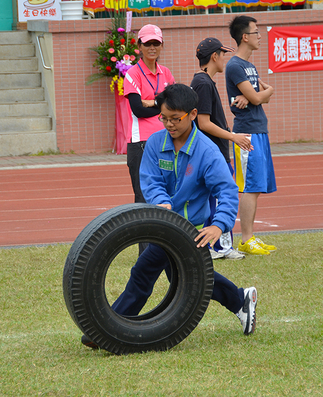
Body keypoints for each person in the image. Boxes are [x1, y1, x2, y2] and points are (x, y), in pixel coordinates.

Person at [81, 84, 258, 349]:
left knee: (145, 272)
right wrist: (160, 202)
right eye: (165, 118)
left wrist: (218, 226)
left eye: (176, 118)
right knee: (182, 277)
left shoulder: (206, 151)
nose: (170, 124)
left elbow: (227, 190)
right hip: (163, 227)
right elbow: (150, 181)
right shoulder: (155, 143)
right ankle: (240, 299)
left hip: (192, 231)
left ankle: (109, 327)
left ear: (193, 114)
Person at [190, 37, 253, 261]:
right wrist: (233, 137)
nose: (225, 58)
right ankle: (221, 247)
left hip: (210, 153)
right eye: (223, 54)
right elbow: (204, 123)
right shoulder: (204, 83)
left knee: (211, 201)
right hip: (214, 154)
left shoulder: (202, 81)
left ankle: (213, 247)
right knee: (223, 198)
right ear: (214, 56)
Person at [225, 16, 276, 256]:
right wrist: (256, 95)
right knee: (249, 187)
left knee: (256, 186)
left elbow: (267, 91)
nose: (259, 36)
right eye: (256, 32)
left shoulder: (250, 67)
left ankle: (250, 237)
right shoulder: (235, 65)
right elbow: (258, 97)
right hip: (246, 132)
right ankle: (246, 239)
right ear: (244, 36)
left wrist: (261, 93)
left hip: (259, 129)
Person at [123, 24, 175, 204]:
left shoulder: (166, 73)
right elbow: (138, 110)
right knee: (143, 196)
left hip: (167, 140)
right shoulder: (132, 74)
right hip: (141, 144)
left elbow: (175, 105)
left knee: (167, 192)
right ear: (139, 47)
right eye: (147, 44)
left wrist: (153, 102)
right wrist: (162, 105)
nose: (152, 48)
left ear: (162, 45)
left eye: (156, 43)